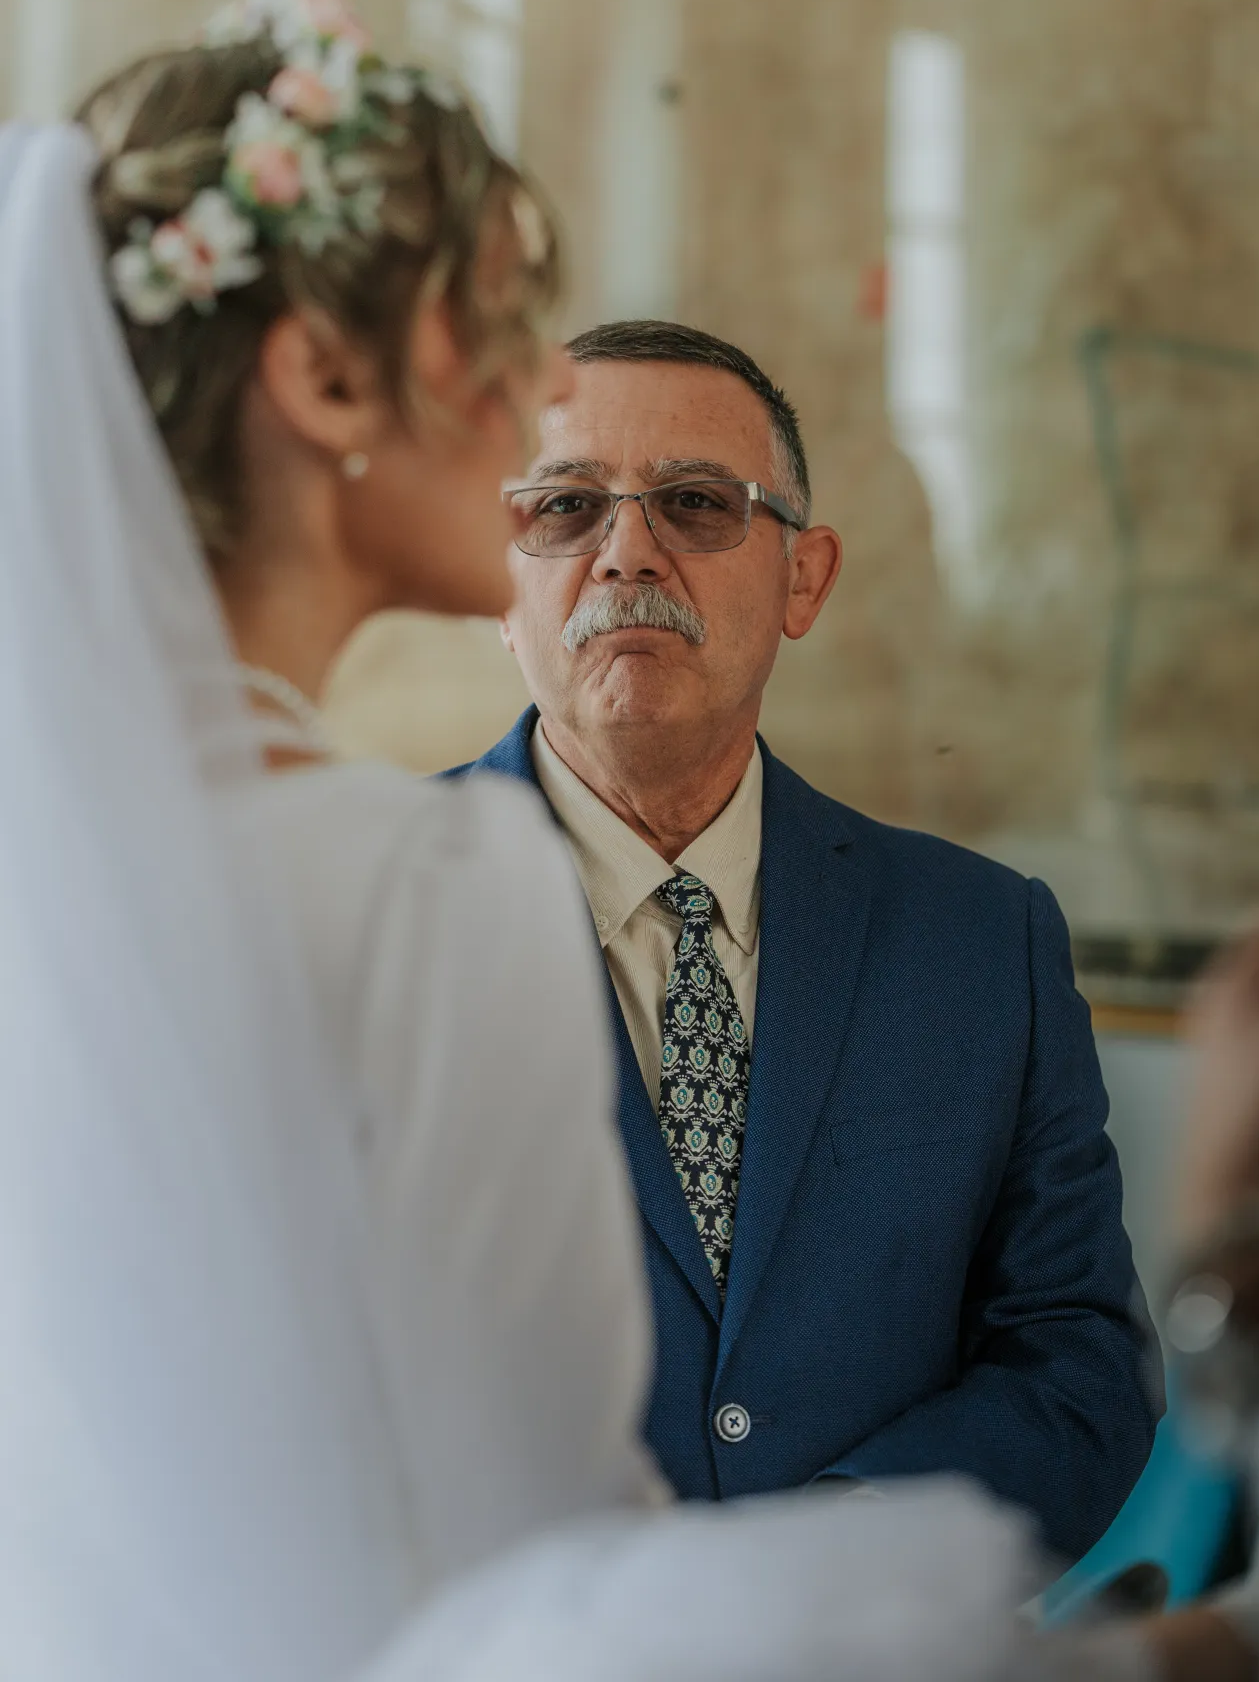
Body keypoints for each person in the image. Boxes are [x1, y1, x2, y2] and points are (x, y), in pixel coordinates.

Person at [0, 0, 1071, 1682]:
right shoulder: (422, 886)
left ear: (807, 572)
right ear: (324, 378)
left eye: (695, 507)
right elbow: (550, 1598)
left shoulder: (44, 864)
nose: (529, 404)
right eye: (490, 333)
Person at [453, 316, 1159, 1559]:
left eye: (693, 503)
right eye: (563, 507)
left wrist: (829, 1563)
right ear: (489, 578)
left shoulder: (983, 942)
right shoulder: (355, 916)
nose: (626, 552)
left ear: (804, 578)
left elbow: (1075, 1358)